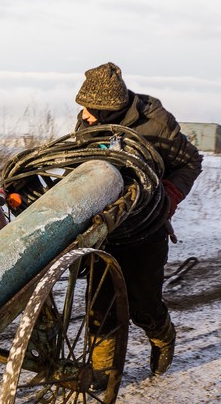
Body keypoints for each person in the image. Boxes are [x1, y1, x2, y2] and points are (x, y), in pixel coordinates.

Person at [74, 62, 202, 376]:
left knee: (143, 304)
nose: (84, 116)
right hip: (104, 226)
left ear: (110, 110)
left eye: (91, 110)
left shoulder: (157, 122)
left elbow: (191, 162)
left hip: (146, 226)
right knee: (100, 303)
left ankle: (162, 336)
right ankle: (103, 370)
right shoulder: (88, 122)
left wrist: (169, 195)